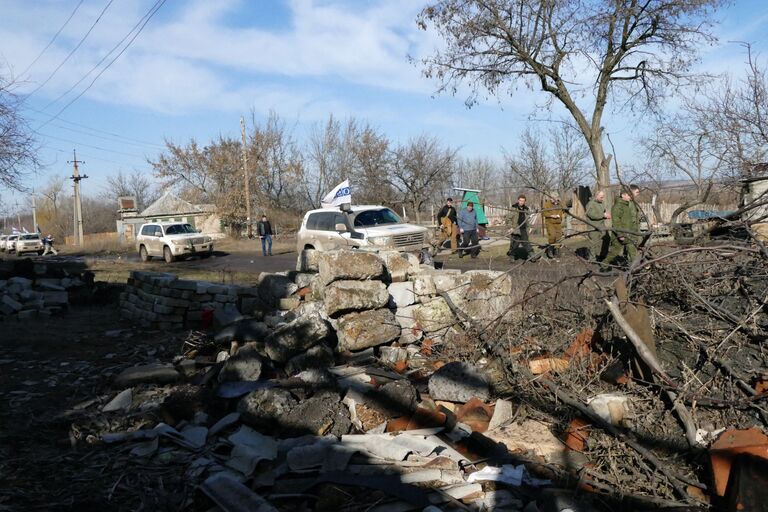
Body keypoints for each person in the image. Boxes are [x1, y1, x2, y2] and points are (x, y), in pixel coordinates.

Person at [604, 185, 641, 268]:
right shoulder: (618, 206)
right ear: (623, 195)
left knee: (632, 251)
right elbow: (616, 222)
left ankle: (634, 268)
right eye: (628, 195)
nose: (630, 197)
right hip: (621, 233)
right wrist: (620, 234)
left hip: (629, 232)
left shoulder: (626, 204)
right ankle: (604, 265)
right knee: (614, 251)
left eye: (630, 195)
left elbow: (629, 220)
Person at [585, 190, 611, 261]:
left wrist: (606, 213)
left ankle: (603, 255)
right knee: (593, 243)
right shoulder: (590, 204)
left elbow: (603, 211)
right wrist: (603, 215)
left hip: (602, 225)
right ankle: (592, 259)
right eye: (601, 197)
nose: (603, 199)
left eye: (603, 197)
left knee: (607, 239)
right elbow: (592, 215)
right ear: (596, 196)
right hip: (593, 226)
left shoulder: (601, 203)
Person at [506, 194, 530, 259]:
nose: (521, 202)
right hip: (516, 228)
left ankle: (531, 255)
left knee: (526, 243)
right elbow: (508, 218)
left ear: (525, 202)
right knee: (515, 244)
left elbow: (528, 220)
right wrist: (510, 227)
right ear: (518, 200)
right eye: (520, 200)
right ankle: (512, 256)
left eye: (523, 201)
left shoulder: (526, 209)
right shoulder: (514, 208)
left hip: (524, 229)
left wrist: (528, 228)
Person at [543, 194, 565, 259]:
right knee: (552, 235)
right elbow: (544, 213)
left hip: (558, 223)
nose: (554, 200)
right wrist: (551, 215)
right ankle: (550, 249)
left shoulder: (560, 204)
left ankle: (557, 250)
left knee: (559, 236)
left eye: (556, 198)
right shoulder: (547, 204)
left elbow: (565, 209)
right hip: (550, 223)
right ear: (551, 198)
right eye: (553, 198)